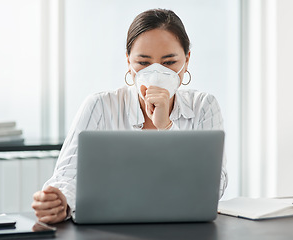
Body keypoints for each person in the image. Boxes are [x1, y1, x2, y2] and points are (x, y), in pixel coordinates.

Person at [32, 8, 228, 224]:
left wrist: (166, 127)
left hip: (186, 229)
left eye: (169, 63)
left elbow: (214, 187)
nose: (156, 73)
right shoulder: (100, 105)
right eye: (143, 63)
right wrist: (60, 202)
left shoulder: (204, 106)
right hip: (112, 229)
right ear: (128, 62)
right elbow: (67, 176)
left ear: (187, 60)